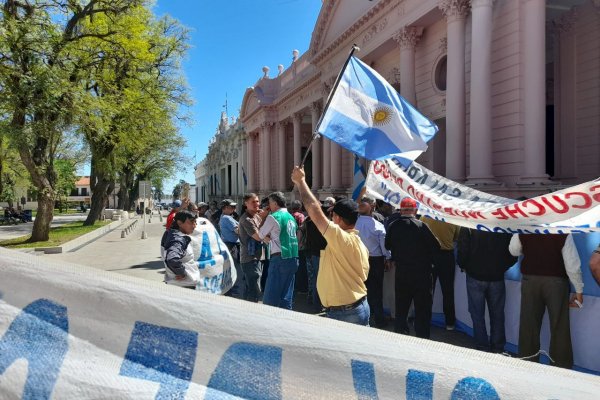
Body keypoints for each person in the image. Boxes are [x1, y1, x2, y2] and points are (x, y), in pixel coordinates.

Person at [292, 166, 370, 326]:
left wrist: (300, 182)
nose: (330, 217)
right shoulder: (355, 241)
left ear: (339, 219)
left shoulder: (340, 238)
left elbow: (314, 210)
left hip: (345, 313)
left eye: (332, 214)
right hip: (353, 307)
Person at [509, 233, 584, 369]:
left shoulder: (525, 225)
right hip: (556, 283)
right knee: (559, 327)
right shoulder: (562, 229)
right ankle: (561, 370)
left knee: (528, 325)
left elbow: (513, 250)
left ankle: (526, 366)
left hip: (530, 280)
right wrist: (579, 290)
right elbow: (572, 264)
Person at [385, 198, 440, 338]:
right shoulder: (422, 226)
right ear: (415, 210)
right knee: (422, 309)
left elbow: (387, 246)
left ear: (401, 210)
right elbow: (436, 246)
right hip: (422, 274)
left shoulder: (393, 225)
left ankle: (400, 334)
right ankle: (422, 337)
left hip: (402, 272)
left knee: (401, 308)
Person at [457, 228, 516, 352]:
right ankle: (497, 348)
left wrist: (463, 265)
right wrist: (501, 267)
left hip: (475, 275)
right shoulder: (503, 225)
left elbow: (463, 247)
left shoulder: (469, 223)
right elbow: (513, 253)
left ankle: (482, 347)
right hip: (496, 277)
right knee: (497, 314)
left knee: (477, 315)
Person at [258, 192, 299, 310]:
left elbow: (261, 234)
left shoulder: (273, 217)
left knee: (270, 298)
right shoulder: (291, 217)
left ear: (275, 203)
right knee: (286, 296)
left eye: (270, 203)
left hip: (279, 258)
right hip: (293, 257)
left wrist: (263, 217)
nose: (268, 206)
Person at [355, 195, 391, 328]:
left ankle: (363, 317)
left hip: (359, 259)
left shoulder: (355, 223)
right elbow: (384, 247)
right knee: (376, 291)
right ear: (373, 207)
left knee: (361, 289)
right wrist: (387, 258)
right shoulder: (379, 226)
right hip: (375, 261)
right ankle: (379, 319)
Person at [421, 217, 460, 330]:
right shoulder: (453, 219)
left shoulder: (426, 217)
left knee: (428, 289)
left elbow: (421, 234)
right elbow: (456, 237)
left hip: (430, 255)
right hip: (447, 256)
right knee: (448, 290)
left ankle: (424, 320)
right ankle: (450, 323)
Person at [160, 210, 199, 288]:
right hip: (184, 285)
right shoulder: (178, 240)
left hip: (178, 284)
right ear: (179, 223)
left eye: (195, 222)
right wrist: (181, 273)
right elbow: (172, 259)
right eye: (191, 222)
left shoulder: (171, 233)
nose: (194, 226)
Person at [238, 193, 264, 302]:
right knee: (253, 290)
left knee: (253, 287)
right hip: (249, 259)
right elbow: (258, 237)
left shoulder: (256, 216)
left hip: (257, 257)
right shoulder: (246, 219)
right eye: (253, 202)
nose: (256, 204)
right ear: (246, 204)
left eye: (257, 201)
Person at [304, 205, 328, 311]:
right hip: (321, 254)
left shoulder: (309, 221)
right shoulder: (323, 224)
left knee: (315, 279)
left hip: (314, 253)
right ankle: (318, 304)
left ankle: (316, 304)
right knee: (320, 280)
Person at [219, 199, 244, 299]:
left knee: (230, 269)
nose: (234, 209)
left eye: (234, 207)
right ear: (224, 208)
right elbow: (238, 231)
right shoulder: (226, 218)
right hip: (232, 246)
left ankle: (230, 291)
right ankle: (234, 292)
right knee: (235, 269)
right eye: (231, 207)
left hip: (229, 245)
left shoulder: (226, 217)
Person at [290, 200, 308, 293]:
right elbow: (302, 229)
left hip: (291, 244)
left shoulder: (290, 215)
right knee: (301, 266)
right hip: (299, 244)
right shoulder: (300, 216)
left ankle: (295, 285)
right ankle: (302, 287)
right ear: (300, 207)